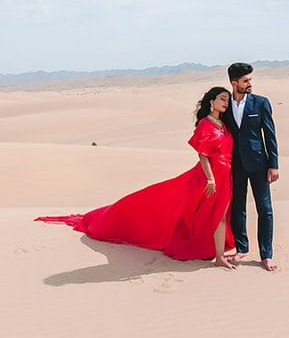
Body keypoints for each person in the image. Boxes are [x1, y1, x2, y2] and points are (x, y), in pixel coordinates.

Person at [36, 87, 237, 269]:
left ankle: (218, 255)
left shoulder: (224, 124)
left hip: (226, 175)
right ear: (211, 101)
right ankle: (215, 254)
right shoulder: (205, 124)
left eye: (227, 99)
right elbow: (203, 155)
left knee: (220, 215)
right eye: (222, 98)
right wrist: (210, 178)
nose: (225, 102)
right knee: (188, 209)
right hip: (208, 177)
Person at [222, 62, 280, 271]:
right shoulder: (225, 104)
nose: (250, 84)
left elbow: (270, 136)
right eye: (246, 80)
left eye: (250, 80)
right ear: (234, 82)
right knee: (238, 207)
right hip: (234, 165)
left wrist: (273, 164)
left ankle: (266, 255)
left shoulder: (261, 103)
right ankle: (242, 247)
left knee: (264, 209)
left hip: (259, 163)